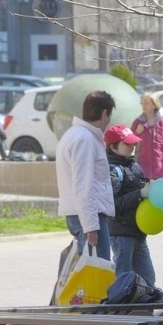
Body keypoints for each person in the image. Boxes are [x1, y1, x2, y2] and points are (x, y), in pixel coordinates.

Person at [56, 90, 116, 260]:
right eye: (109, 116)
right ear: (105, 114)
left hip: (82, 214)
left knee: (89, 273)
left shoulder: (74, 135)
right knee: (97, 274)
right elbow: (83, 185)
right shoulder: (85, 139)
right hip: (89, 216)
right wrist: (91, 227)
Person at [104, 124, 156, 287]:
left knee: (148, 278)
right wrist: (140, 194)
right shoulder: (112, 170)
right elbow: (112, 205)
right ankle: (125, 312)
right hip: (122, 234)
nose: (133, 146)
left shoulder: (133, 165)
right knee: (124, 280)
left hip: (139, 232)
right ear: (113, 146)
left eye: (133, 143)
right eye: (127, 144)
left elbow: (144, 194)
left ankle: (146, 310)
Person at [131, 93, 163, 227]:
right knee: (147, 194)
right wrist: (137, 133)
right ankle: (149, 219)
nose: (144, 105)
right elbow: (130, 142)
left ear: (154, 104)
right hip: (143, 167)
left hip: (161, 166)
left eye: (147, 102)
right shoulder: (137, 122)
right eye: (142, 102)